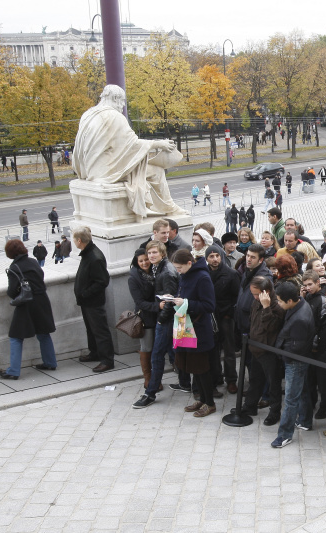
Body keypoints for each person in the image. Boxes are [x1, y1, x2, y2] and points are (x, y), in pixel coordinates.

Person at [73, 85, 185, 219]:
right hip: (106, 172)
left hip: (90, 169)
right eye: (122, 101)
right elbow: (132, 144)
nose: (123, 105)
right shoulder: (114, 116)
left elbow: (114, 147)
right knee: (156, 171)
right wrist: (160, 144)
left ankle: (156, 207)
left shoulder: (88, 114)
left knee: (143, 168)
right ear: (115, 98)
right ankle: (169, 208)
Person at [0, 239, 57, 379]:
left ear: (10, 253)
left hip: (26, 304)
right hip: (42, 300)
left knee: (16, 336)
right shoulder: (34, 262)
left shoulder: (14, 268)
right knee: (43, 333)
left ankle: (13, 371)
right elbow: (40, 277)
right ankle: (50, 362)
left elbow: (12, 292)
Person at [170, 249, 218, 418]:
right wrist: (175, 299)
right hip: (186, 327)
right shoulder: (185, 275)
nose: (178, 271)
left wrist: (186, 303)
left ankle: (210, 403)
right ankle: (202, 398)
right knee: (192, 367)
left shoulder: (202, 277)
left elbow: (209, 305)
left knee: (201, 367)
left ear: (189, 263)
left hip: (199, 330)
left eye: (179, 267)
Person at [133, 241, 179, 407]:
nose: (151, 256)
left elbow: (170, 299)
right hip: (164, 318)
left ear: (162, 253)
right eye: (149, 253)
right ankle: (186, 383)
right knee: (173, 353)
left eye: (154, 253)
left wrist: (160, 320)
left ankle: (150, 393)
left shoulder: (165, 271)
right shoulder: (159, 268)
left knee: (157, 356)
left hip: (165, 319)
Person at [271, 283, 316, 448]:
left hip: (295, 361)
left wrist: (281, 353)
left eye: (280, 301)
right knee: (301, 391)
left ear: (290, 300)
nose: (278, 304)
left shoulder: (300, 319)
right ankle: (304, 420)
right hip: (297, 359)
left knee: (291, 399)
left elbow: (295, 347)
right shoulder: (300, 304)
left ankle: (284, 435)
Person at [242, 276, 285, 426]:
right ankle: (250, 406)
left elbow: (272, 327)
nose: (253, 297)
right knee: (255, 379)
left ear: (265, 292)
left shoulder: (277, 305)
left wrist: (266, 307)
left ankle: (274, 412)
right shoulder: (256, 301)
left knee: (273, 383)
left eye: (256, 294)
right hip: (256, 347)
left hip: (269, 350)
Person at [72, 226, 114, 372]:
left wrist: (85, 293)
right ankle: (95, 353)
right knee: (91, 329)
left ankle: (107, 360)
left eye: (74, 239)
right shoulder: (88, 253)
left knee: (100, 330)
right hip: (87, 301)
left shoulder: (94, 257)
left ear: (79, 240)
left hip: (93, 301)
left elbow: (102, 281)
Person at [205, 245, 241, 394]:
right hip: (210, 316)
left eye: (217, 256)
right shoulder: (204, 273)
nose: (215, 259)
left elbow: (236, 297)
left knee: (229, 350)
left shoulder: (231, 274)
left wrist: (229, 313)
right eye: (211, 256)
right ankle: (216, 376)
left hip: (226, 316)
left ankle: (231, 379)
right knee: (213, 349)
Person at [128, 248, 159, 389]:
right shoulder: (134, 278)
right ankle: (148, 379)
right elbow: (139, 302)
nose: (144, 262)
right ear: (136, 262)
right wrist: (158, 306)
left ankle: (156, 377)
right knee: (146, 347)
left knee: (156, 349)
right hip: (146, 317)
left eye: (146, 259)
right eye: (141, 261)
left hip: (158, 315)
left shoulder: (156, 271)